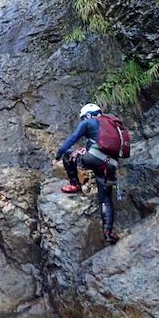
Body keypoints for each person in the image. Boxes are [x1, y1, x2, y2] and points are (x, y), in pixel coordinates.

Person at [53, 103, 120, 244]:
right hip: (110, 165)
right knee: (105, 199)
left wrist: (57, 156)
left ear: (88, 115)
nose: (83, 121)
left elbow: (72, 139)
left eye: (83, 118)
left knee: (67, 154)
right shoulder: (112, 123)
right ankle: (108, 233)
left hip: (93, 159)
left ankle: (75, 185)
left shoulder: (89, 122)